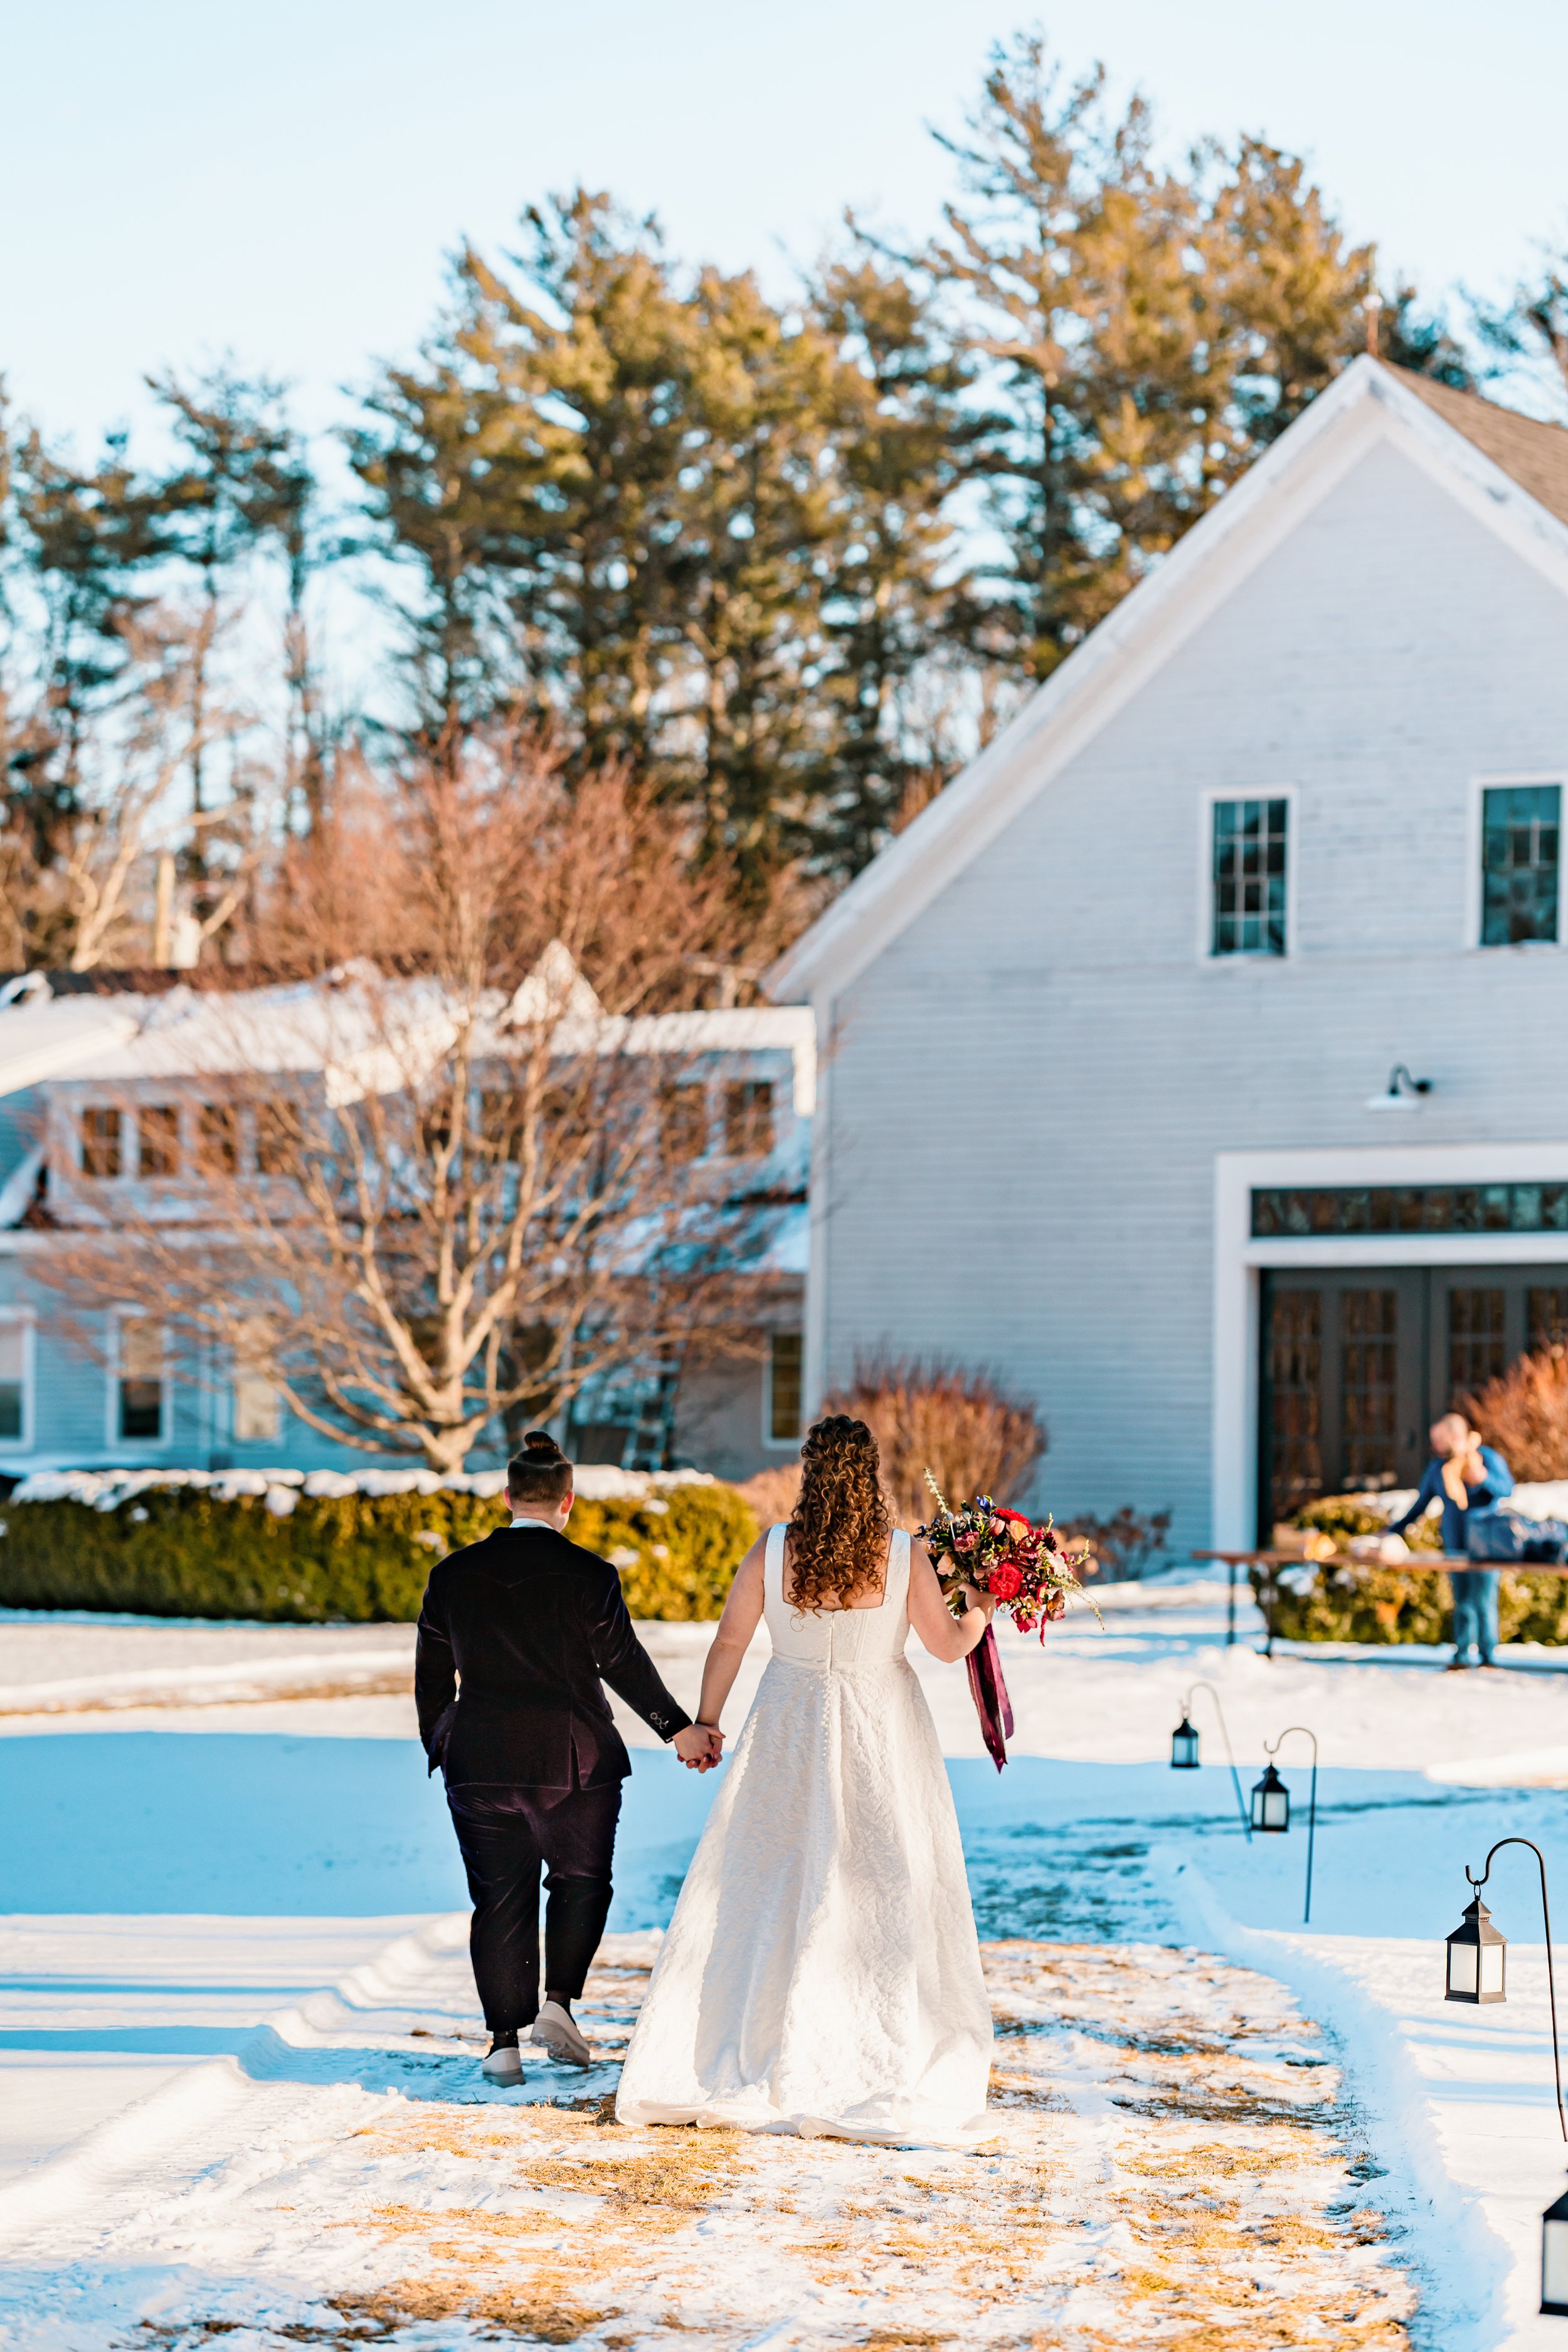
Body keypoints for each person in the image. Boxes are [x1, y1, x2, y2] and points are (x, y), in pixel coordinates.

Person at [615, 1412, 997, 2145]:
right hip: (879, 1726)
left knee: (771, 1881)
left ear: (809, 1474)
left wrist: (705, 1722)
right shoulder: (900, 1554)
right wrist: (978, 1613)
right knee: (881, 1880)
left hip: (788, 1723)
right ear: (871, 1475)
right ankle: (871, 2040)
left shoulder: (772, 1549)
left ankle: (752, 2036)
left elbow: (731, 1639)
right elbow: (947, 1648)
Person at [415, 1433, 719, 2085]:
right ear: (567, 1503)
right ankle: (557, 2006)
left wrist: (445, 1743)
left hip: (479, 1764)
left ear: (506, 1497)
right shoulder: (589, 1575)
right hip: (574, 1764)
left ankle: (502, 2044)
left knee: (498, 1900)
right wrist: (679, 1730)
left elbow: (431, 1678)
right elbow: (621, 1664)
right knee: (580, 1882)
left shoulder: (451, 1575)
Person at [1387, 1412, 1514, 1671]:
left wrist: (1482, 1479)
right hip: (1455, 1543)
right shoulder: (1438, 1469)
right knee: (1463, 1601)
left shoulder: (1485, 1458)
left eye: (1439, 1439)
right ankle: (1462, 1653)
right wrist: (1393, 1531)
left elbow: (1507, 1489)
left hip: (1487, 1545)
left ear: (1456, 1437)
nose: (1434, 1445)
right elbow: (1420, 1505)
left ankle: (1489, 1656)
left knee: (1484, 1601)